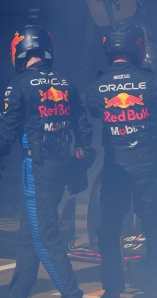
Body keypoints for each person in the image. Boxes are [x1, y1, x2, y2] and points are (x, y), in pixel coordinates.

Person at [84, 22, 157, 298]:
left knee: (110, 229)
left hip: (115, 169)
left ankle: (112, 289)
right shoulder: (153, 81)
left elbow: (88, 112)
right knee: (154, 227)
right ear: (137, 46)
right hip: (146, 167)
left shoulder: (97, 86)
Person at [0, 25, 94, 298]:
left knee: (44, 238)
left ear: (18, 51)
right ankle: (17, 292)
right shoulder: (66, 83)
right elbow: (83, 127)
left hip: (37, 168)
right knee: (30, 235)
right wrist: (83, 159)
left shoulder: (18, 85)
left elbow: (6, 132)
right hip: (62, 168)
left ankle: (72, 293)